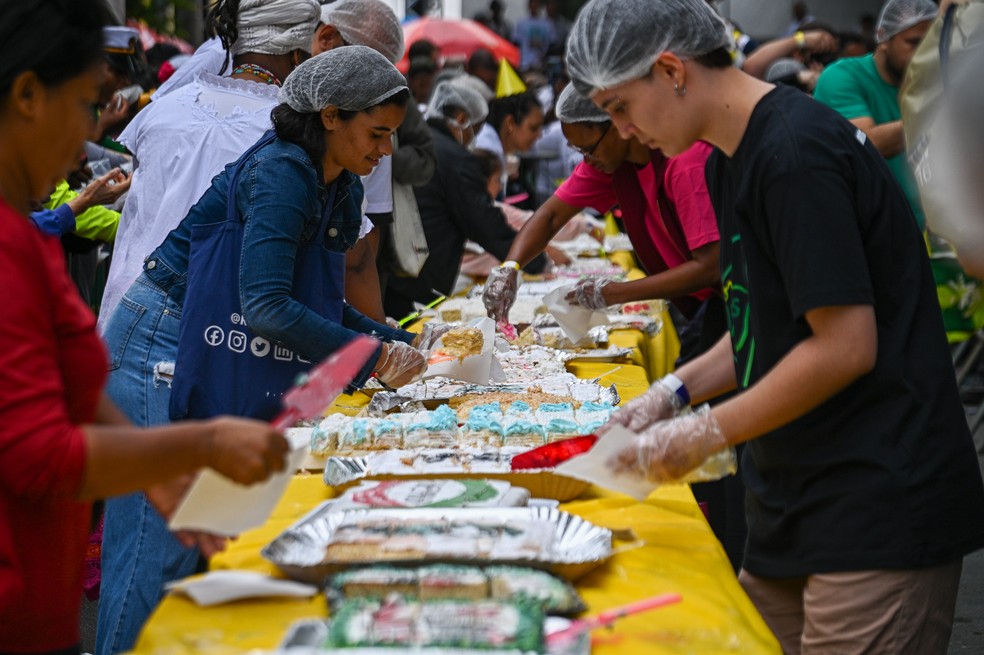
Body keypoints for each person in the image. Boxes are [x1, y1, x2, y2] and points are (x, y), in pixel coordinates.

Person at [565, 0, 984, 652]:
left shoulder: (793, 153)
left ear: (672, 69)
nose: (620, 130)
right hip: (796, 501)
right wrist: (670, 392)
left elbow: (844, 346)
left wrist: (700, 434)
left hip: (874, 498)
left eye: (619, 107)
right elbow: (760, 320)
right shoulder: (730, 156)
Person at [97, 46, 429, 654]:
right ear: (330, 116)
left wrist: (405, 340)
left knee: (209, 540)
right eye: (377, 134)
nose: (385, 152)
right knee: (157, 549)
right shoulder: (281, 172)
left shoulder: (339, 185)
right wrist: (374, 357)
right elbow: (268, 308)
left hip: (214, 338)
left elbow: (320, 305)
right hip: (161, 341)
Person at [0, 1, 289, 650]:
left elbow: (68, 378)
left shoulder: (22, 233)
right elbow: (38, 456)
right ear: (26, 96)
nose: (86, 142)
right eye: (83, 107)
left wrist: (147, 466)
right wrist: (199, 443)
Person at [96, 0, 322, 336]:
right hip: (211, 338)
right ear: (296, 55)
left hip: (123, 321)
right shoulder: (292, 130)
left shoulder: (163, 110)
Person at [384, 81, 548, 318]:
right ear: (461, 118)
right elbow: (484, 223)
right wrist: (534, 261)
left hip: (398, 269)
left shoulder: (424, 143)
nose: (475, 138)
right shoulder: (455, 158)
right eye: (477, 128)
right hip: (419, 277)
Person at [814, 0, 938, 229]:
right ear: (883, 37)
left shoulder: (929, 84)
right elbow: (866, 144)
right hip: (869, 239)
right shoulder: (842, 77)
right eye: (914, 42)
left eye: (931, 45)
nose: (924, 54)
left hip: (925, 235)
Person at [513, 0, 556, 71]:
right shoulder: (521, 23)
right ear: (529, 6)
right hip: (524, 65)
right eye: (533, 3)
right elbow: (516, 44)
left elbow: (553, 44)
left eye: (536, 3)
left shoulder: (547, 24)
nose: (534, 6)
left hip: (542, 66)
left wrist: (545, 56)